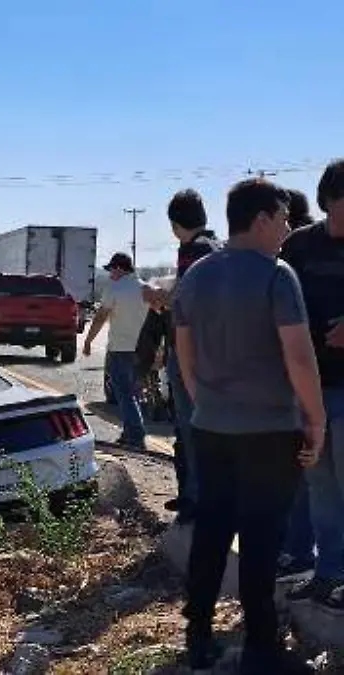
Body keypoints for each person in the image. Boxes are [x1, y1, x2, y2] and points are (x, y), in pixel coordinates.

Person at [173, 178, 324, 672]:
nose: (287, 228)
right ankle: (260, 645)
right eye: (282, 219)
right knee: (262, 538)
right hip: (269, 431)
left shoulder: (195, 276)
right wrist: (315, 421)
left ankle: (198, 634)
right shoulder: (276, 276)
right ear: (261, 219)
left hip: (212, 428)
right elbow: (300, 360)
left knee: (213, 531)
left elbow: (185, 354)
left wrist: (205, 404)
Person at [280, 160, 344, 613]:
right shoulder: (300, 246)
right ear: (325, 202)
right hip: (311, 385)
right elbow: (275, 298)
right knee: (320, 485)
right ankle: (327, 574)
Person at [162, 189, 222, 521]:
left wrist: (160, 297)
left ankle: (197, 499)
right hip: (212, 351)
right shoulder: (216, 246)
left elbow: (186, 301)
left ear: (175, 224)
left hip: (190, 353)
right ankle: (197, 495)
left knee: (190, 428)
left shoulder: (193, 251)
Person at [83, 252, 154, 450]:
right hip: (141, 350)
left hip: (120, 349)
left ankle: (136, 436)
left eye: (111, 270)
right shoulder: (145, 288)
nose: (110, 274)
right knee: (133, 393)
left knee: (123, 394)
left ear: (120, 268)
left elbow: (100, 317)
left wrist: (89, 341)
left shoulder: (115, 289)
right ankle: (129, 432)